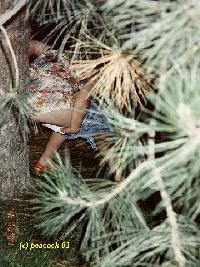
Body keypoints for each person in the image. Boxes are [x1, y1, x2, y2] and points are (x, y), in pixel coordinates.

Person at [28, 40, 111, 172]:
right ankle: (120, 174)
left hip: (23, 90)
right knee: (98, 125)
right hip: (39, 106)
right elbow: (82, 98)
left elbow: (31, 45)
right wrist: (75, 127)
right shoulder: (95, 76)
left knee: (84, 119)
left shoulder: (62, 57)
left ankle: (43, 163)